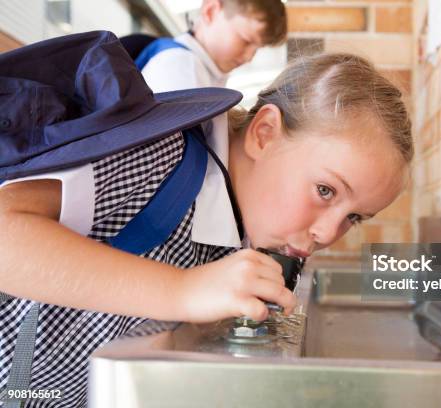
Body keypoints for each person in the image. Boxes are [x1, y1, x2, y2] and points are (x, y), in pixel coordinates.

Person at [0, 31, 413, 407]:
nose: (328, 232)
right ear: (264, 133)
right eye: (325, 191)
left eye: (354, 217)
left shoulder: (240, 234)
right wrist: (182, 290)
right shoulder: (161, 158)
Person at [139, 0, 287, 92]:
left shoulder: (205, 72)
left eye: (258, 48)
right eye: (246, 40)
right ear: (211, 11)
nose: (249, 57)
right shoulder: (180, 64)